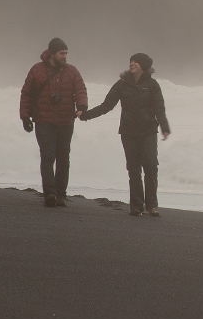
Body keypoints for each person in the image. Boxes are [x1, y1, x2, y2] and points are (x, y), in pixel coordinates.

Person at [81, 52, 171, 217]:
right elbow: (107, 105)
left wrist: (164, 127)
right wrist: (86, 115)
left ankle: (151, 205)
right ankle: (136, 205)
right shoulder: (122, 84)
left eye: (136, 62)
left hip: (148, 131)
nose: (132, 64)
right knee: (133, 168)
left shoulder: (152, 85)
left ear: (143, 66)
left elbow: (159, 108)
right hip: (128, 131)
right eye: (131, 61)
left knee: (150, 166)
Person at [19, 37, 88, 208]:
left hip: (66, 121)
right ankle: (50, 193)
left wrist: (81, 106)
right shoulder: (37, 70)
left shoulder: (72, 72)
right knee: (48, 156)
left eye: (66, 53)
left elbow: (80, 90)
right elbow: (26, 94)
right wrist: (25, 117)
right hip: (44, 121)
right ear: (52, 54)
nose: (65, 56)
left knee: (63, 158)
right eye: (61, 53)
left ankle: (61, 195)